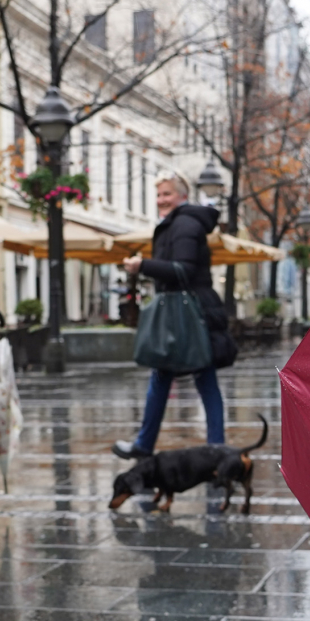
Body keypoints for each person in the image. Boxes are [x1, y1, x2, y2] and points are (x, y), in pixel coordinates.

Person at [113, 173, 227, 460]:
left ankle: (211, 448)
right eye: (159, 195)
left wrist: (144, 265)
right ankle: (208, 447)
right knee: (172, 376)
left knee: (201, 377)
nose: (161, 200)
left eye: (167, 194)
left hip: (190, 312)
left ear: (182, 197)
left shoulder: (185, 224)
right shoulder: (176, 223)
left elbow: (184, 270)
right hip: (183, 310)